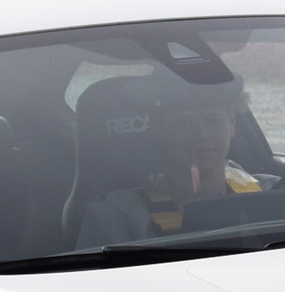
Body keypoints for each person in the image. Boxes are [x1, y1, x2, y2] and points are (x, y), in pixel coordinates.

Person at [72, 71, 262, 249]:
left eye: (212, 120)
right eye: (183, 123)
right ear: (159, 130)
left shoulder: (269, 191)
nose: (201, 135)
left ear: (231, 124)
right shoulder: (120, 216)